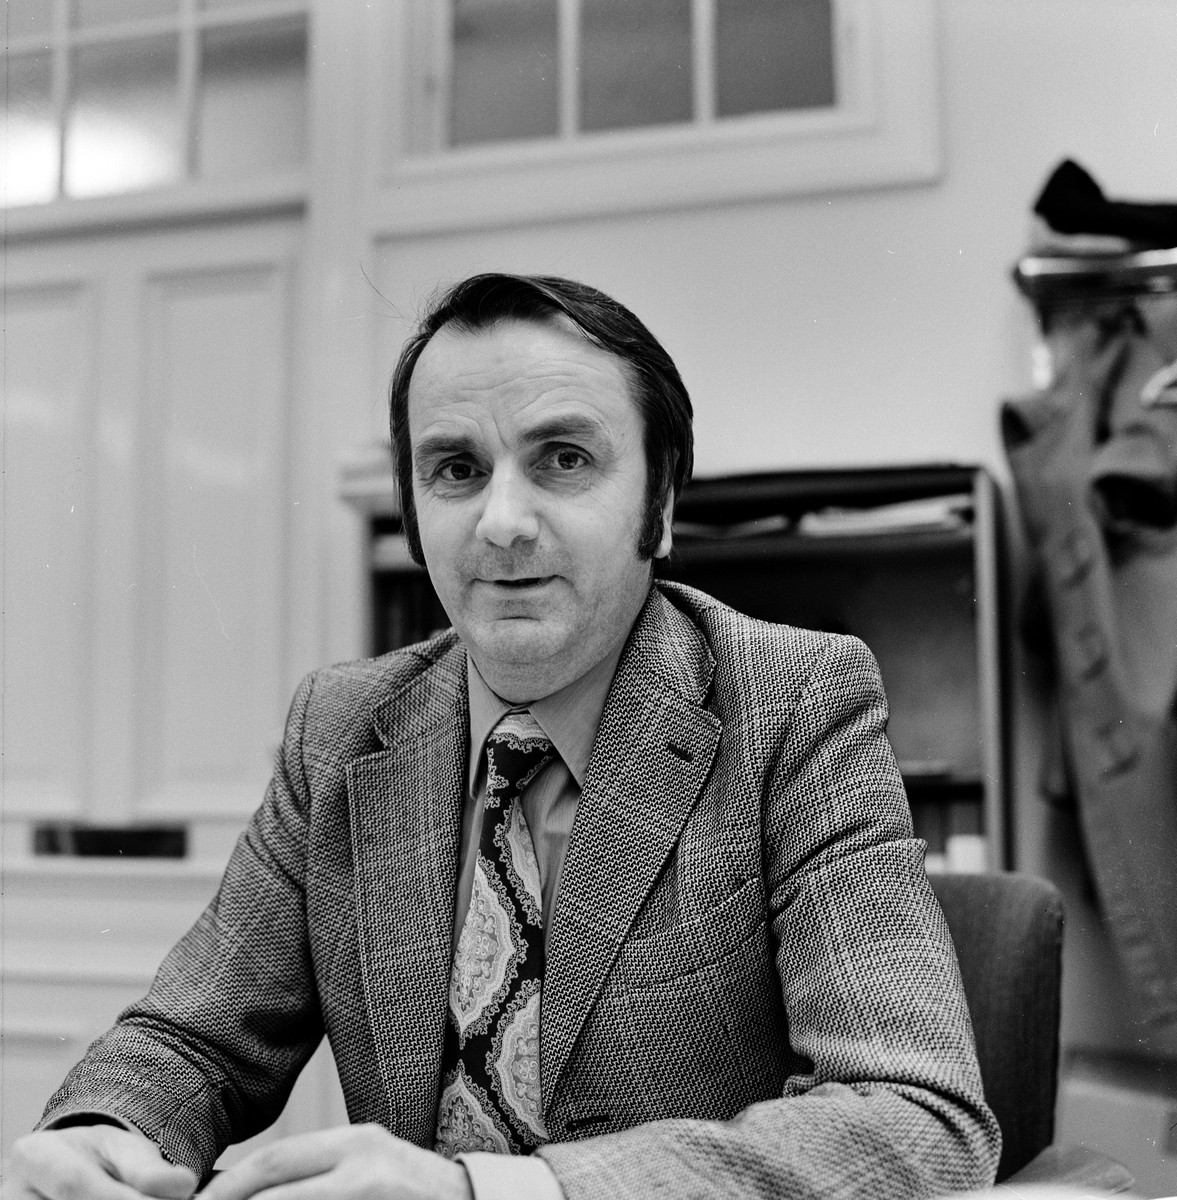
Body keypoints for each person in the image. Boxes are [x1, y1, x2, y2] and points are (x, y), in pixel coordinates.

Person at [7, 274, 1000, 1200]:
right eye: (456, 469)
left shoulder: (791, 703)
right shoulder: (338, 729)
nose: (502, 523)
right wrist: (106, 1128)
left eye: (563, 459)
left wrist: (492, 1195)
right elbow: (192, 1039)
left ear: (658, 504)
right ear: (413, 514)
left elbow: (918, 1121)